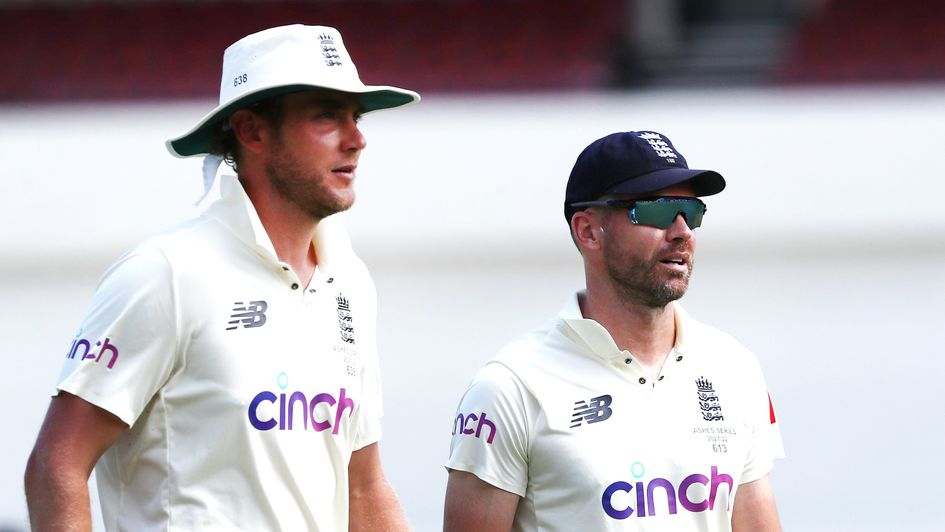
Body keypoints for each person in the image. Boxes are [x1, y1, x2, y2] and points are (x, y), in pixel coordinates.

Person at [24, 24, 418, 531]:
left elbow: (363, 485)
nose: (358, 139)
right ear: (252, 131)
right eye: (326, 115)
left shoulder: (350, 283)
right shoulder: (165, 272)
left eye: (356, 116)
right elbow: (57, 465)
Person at [443, 131, 785, 531]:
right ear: (588, 232)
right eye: (656, 211)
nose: (682, 232)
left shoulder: (734, 368)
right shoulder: (510, 386)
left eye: (691, 212)